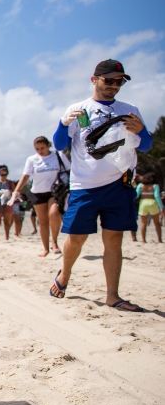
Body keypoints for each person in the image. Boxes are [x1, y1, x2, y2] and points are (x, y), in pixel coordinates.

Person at [49, 60, 153, 312]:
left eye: (120, 82)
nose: (115, 86)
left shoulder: (130, 110)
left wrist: (142, 132)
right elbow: (61, 144)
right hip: (85, 185)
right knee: (76, 239)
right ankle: (64, 275)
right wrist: (62, 124)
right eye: (109, 80)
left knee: (115, 239)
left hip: (120, 184)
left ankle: (112, 296)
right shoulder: (79, 109)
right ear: (94, 79)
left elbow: (146, 145)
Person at [13, 136, 70, 257]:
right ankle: (45, 248)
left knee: (54, 214)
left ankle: (54, 241)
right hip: (37, 192)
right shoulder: (32, 159)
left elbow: (70, 170)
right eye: (37, 149)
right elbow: (25, 176)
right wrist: (16, 191)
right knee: (43, 222)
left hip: (55, 191)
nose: (40, 151)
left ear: (48, 146)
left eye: (42, 148)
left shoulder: (58, 155)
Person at [136, 173, 163, 243]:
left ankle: (143, 240)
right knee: (157, 223)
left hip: (143, 203)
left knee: (143, 223)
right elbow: (157, 196)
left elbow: (136, 195)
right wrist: (161, 206)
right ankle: (159, 240)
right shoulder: (155, 186)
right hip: (153, 203)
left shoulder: (140, 185)